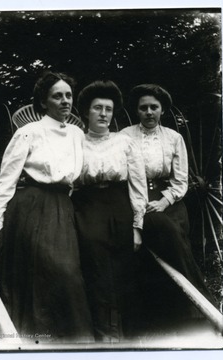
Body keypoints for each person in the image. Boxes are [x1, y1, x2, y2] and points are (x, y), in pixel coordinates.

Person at [0, 71, 94, 343]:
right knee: (53, 271)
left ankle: (70, 343)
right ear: (44, 102)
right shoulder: (28, 133)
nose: (65, 101)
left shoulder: (78, 134)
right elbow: (6, 180)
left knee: (69, 273)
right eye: (57, 96)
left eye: (68, 95)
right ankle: (39, 339)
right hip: (33, 207)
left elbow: (88, 169)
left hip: (64, 207)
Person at [121, 83, 215, 327]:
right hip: (136, 199)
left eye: (154, 107)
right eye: (144, 108)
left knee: (174, 241)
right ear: (137, 111)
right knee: (150, 255)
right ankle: (160, 315)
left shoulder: (174, 138)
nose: (149, 112)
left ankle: (192, 311)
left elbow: (180, 179)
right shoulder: (124, 136)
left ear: (162, 110)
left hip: (169, 201)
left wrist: (164, 201)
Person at [72, 80, 148, 342]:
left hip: (119, 206)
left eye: (108, 109)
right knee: (96, 270)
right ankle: (104, 336)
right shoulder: (75, 142)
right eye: (97, 108)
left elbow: (138, 184)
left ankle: (130, 337)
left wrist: (137, 226)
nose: (104, 114)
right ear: (86, 112)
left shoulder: (124, 141)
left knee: (125, 270)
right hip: (87, 207)